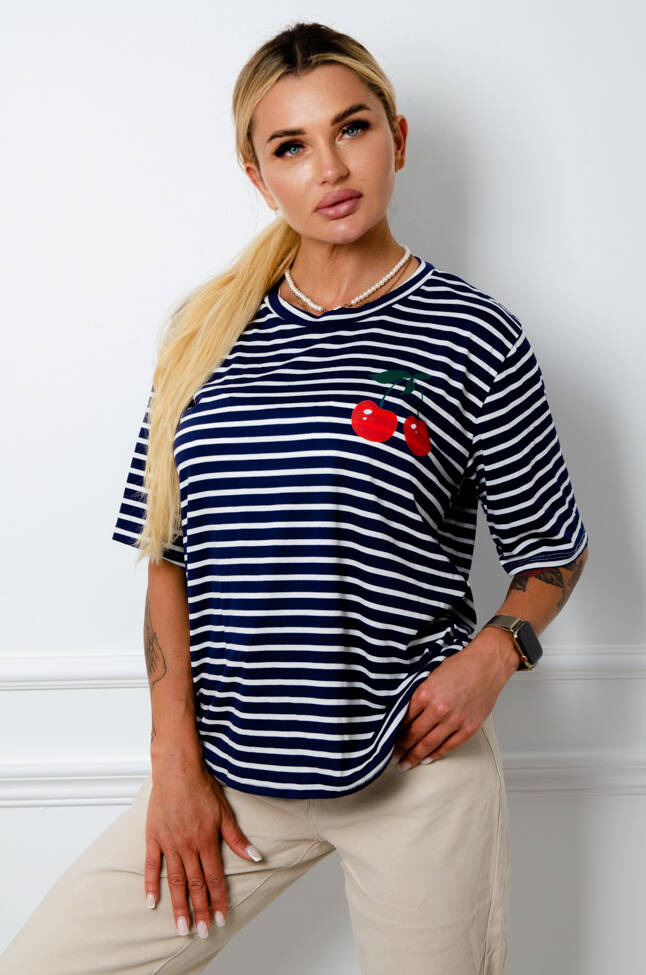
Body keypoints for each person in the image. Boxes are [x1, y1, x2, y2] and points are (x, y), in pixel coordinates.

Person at [0, 20, 589, 975]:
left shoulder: (475, 335)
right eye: (291, 146)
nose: (331, 167)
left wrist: (495, 654)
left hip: (415, 772)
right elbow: (167, 558)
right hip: (232, 780)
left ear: (397, 137)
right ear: (256, 173)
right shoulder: (204, 335)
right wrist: (173, 762)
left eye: (352, 128)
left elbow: (553, 550)